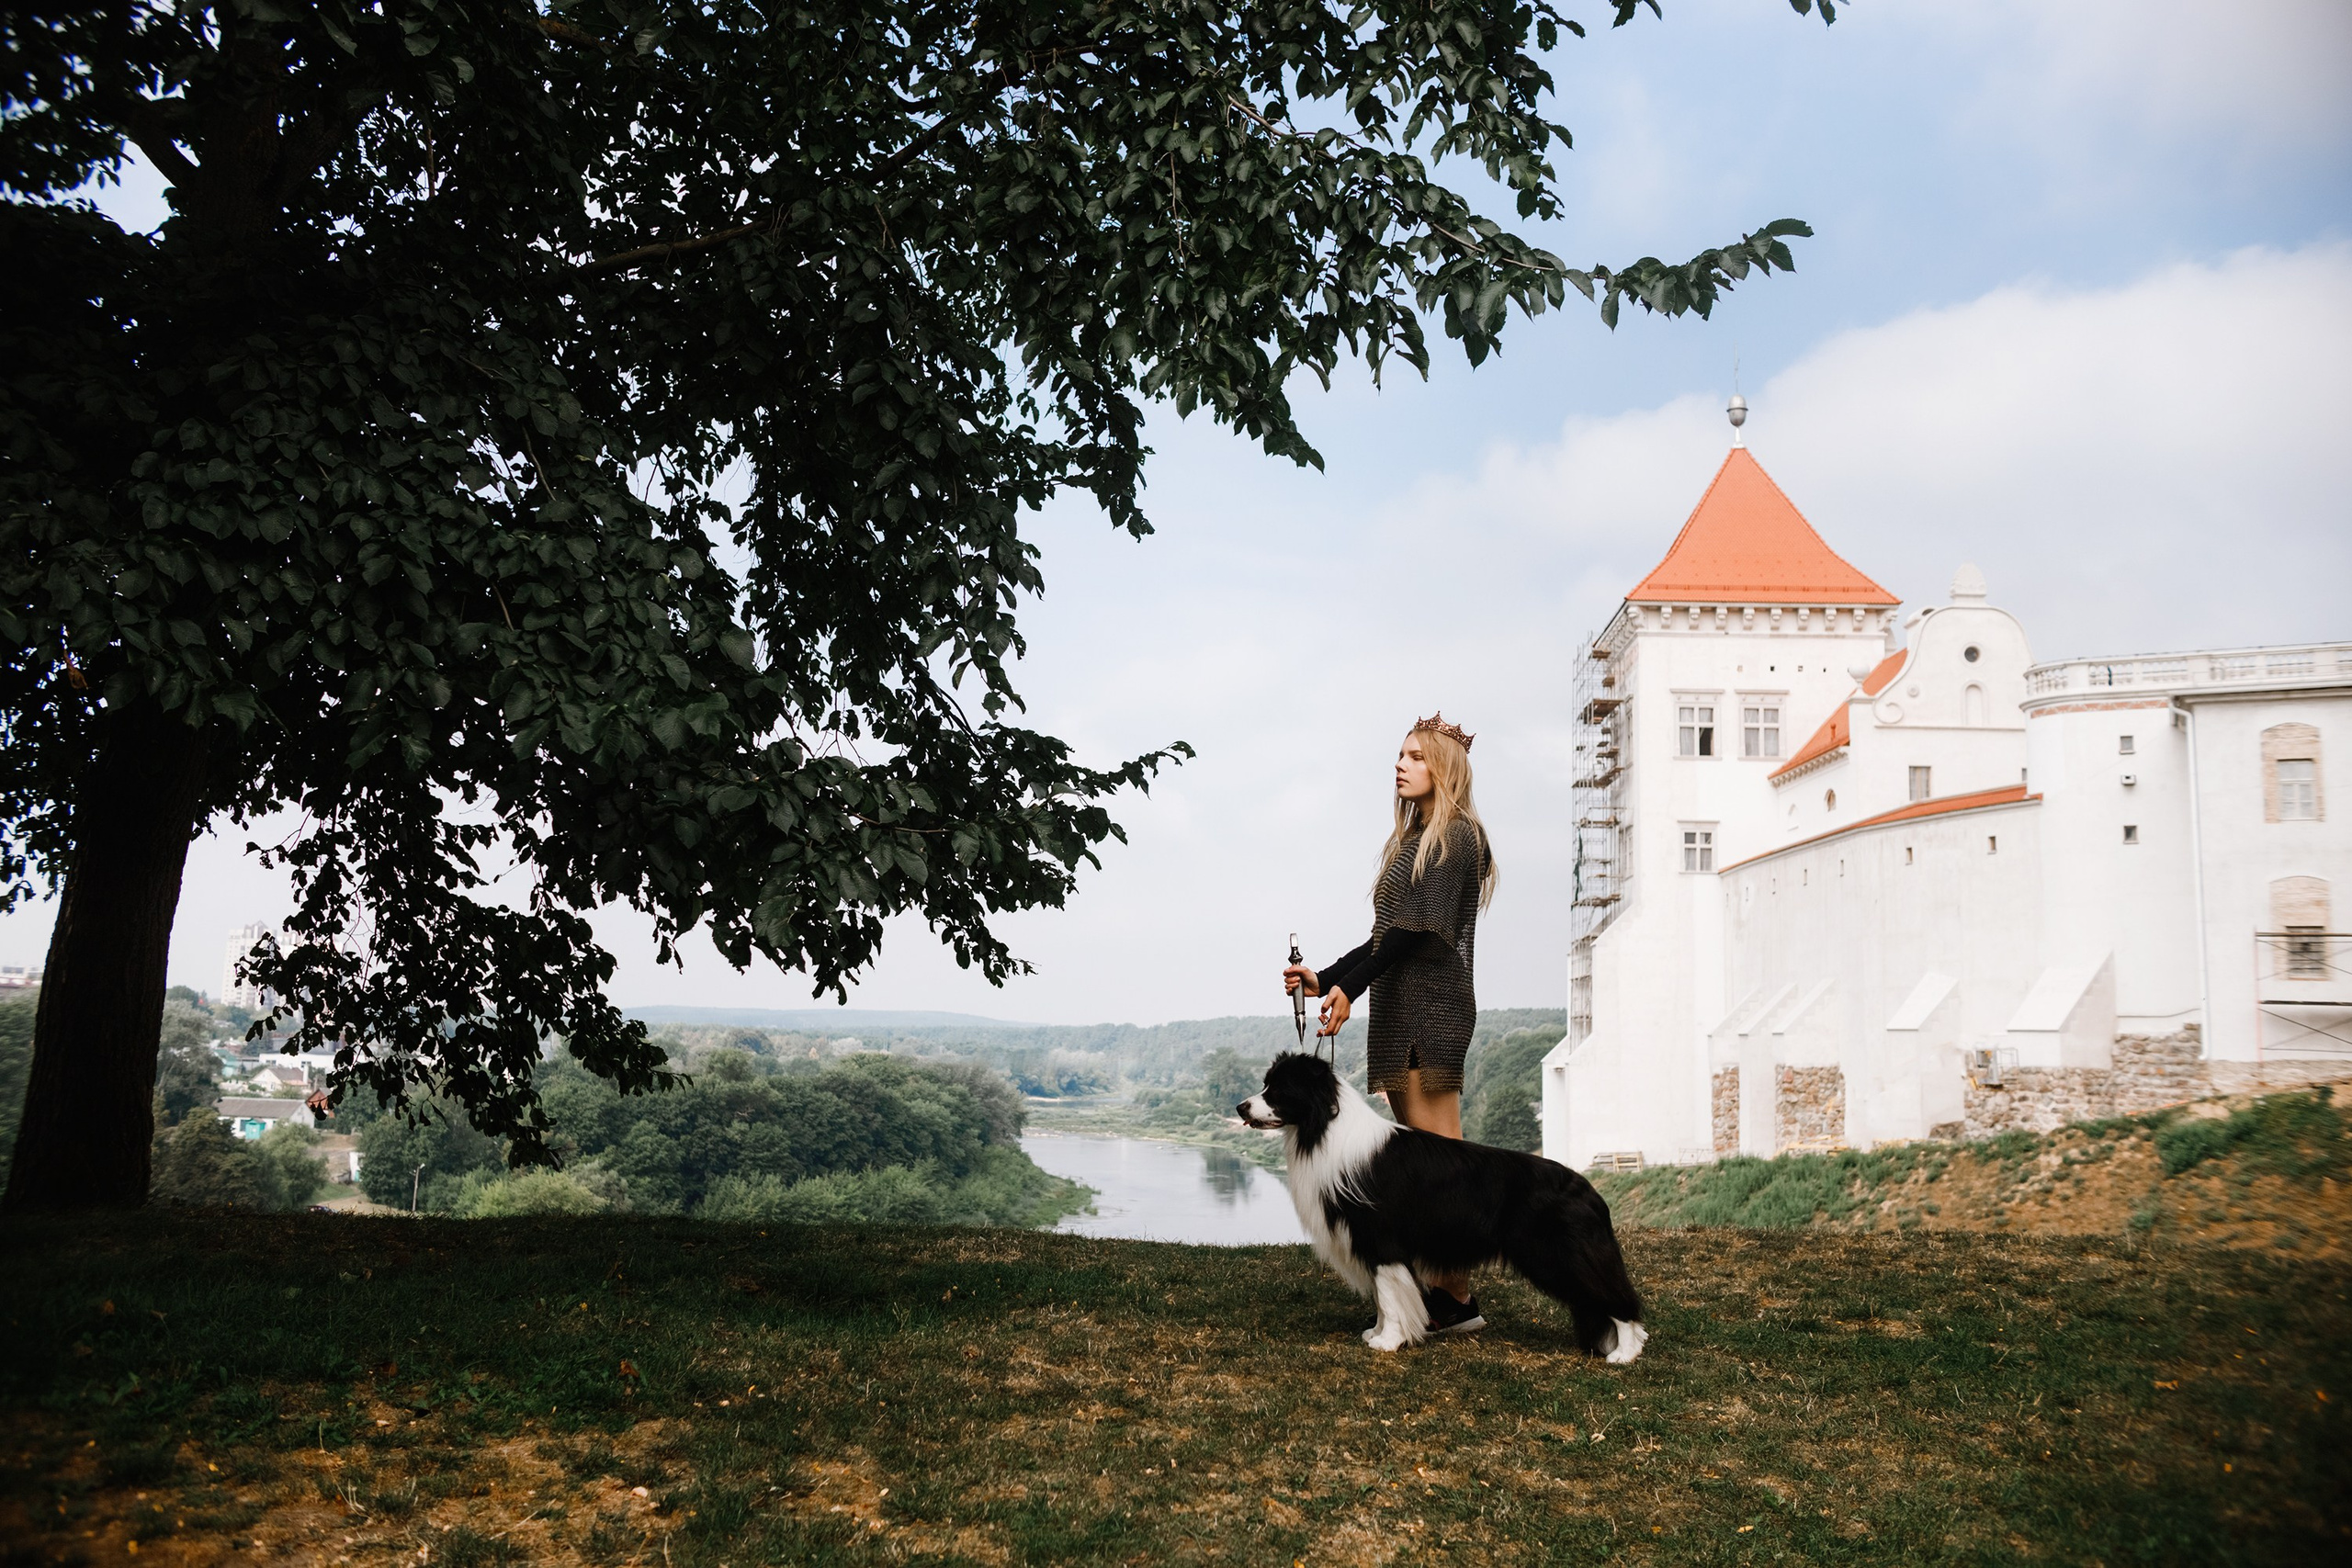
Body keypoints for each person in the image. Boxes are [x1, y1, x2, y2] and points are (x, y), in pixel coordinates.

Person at [1283, 713, 1498, 1337]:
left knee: (1443, 1165)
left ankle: (1456, 1297)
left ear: (1444, 768)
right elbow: (1385, 936)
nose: (1401, 765)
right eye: (1400, 755)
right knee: (1423, 1166)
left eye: (1415, 756)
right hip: (1402, 1010)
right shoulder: (1415, 840)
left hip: (1434, 1010)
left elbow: (1411, 934)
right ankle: (1445, 1291)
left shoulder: (1457, 836)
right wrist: (1326, 978)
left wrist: (1351, 987)